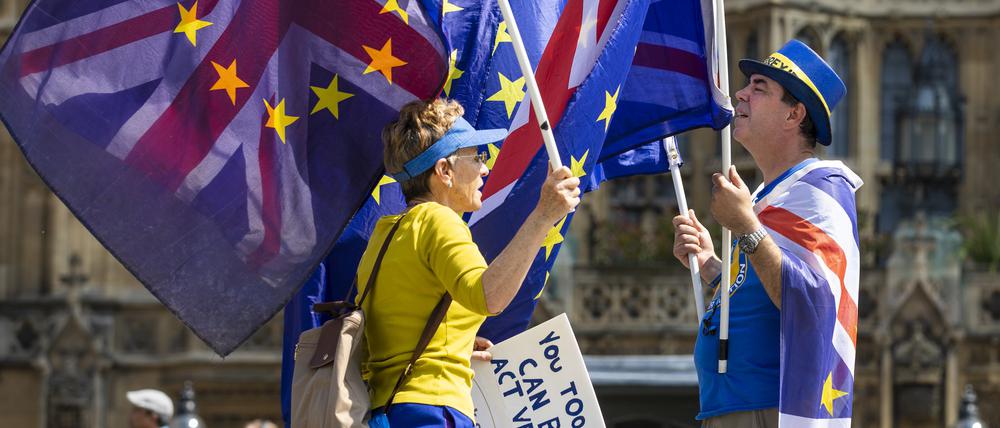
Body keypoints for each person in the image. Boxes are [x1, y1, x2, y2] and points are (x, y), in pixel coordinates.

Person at [673, 40, 862, 427]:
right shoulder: (767, 196)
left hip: (766, 409)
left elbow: (813, 299)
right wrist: (711, 266)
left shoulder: (821, 189)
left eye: (759, 87)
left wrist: (746, 226)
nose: (741, 94)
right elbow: (763, 289)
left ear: (794, 114)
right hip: (727, 407)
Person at [358, 98, 580, 427]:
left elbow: (392, 330)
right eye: (476, 157)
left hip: (389, 410)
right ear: (444, 171)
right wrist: (543, 215)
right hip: (434, 410)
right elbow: (490, 296)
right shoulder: (439, 220)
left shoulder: (385, 232)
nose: (485, 168)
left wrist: (456, 344)